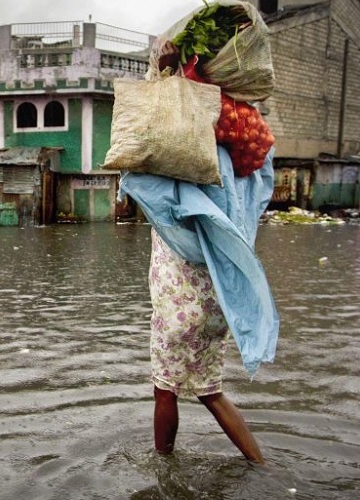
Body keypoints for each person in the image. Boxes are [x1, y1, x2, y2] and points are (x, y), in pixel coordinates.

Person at [119, 31, 279, 465]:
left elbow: (152, 134)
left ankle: (161, 466)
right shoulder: (239, 165)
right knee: (210, 390)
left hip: (180, 296)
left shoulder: (187, 162)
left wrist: (165, 71)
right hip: (220, 294)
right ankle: (259, 464)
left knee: (164, 386)